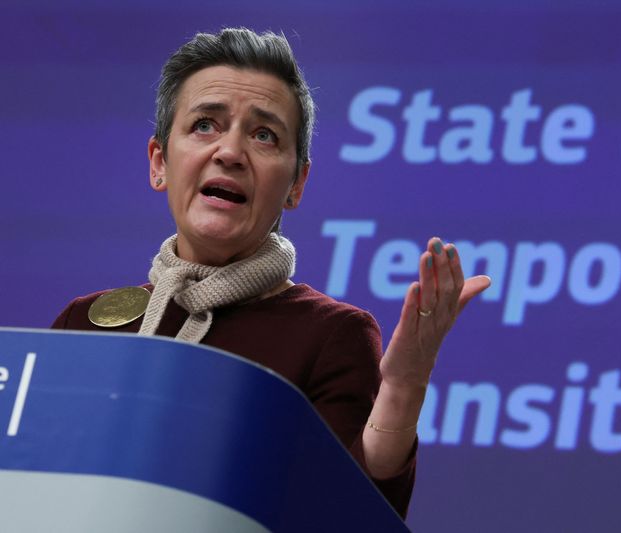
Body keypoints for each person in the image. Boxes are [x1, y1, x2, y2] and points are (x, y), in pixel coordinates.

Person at [51, 28, 490, 519]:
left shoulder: (332, 335)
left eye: (264, 135)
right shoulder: (83, 323)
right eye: (205, 125)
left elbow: (348, 517)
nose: (231, 152)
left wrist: (404, 389)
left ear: (297, 183)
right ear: (159, 162)